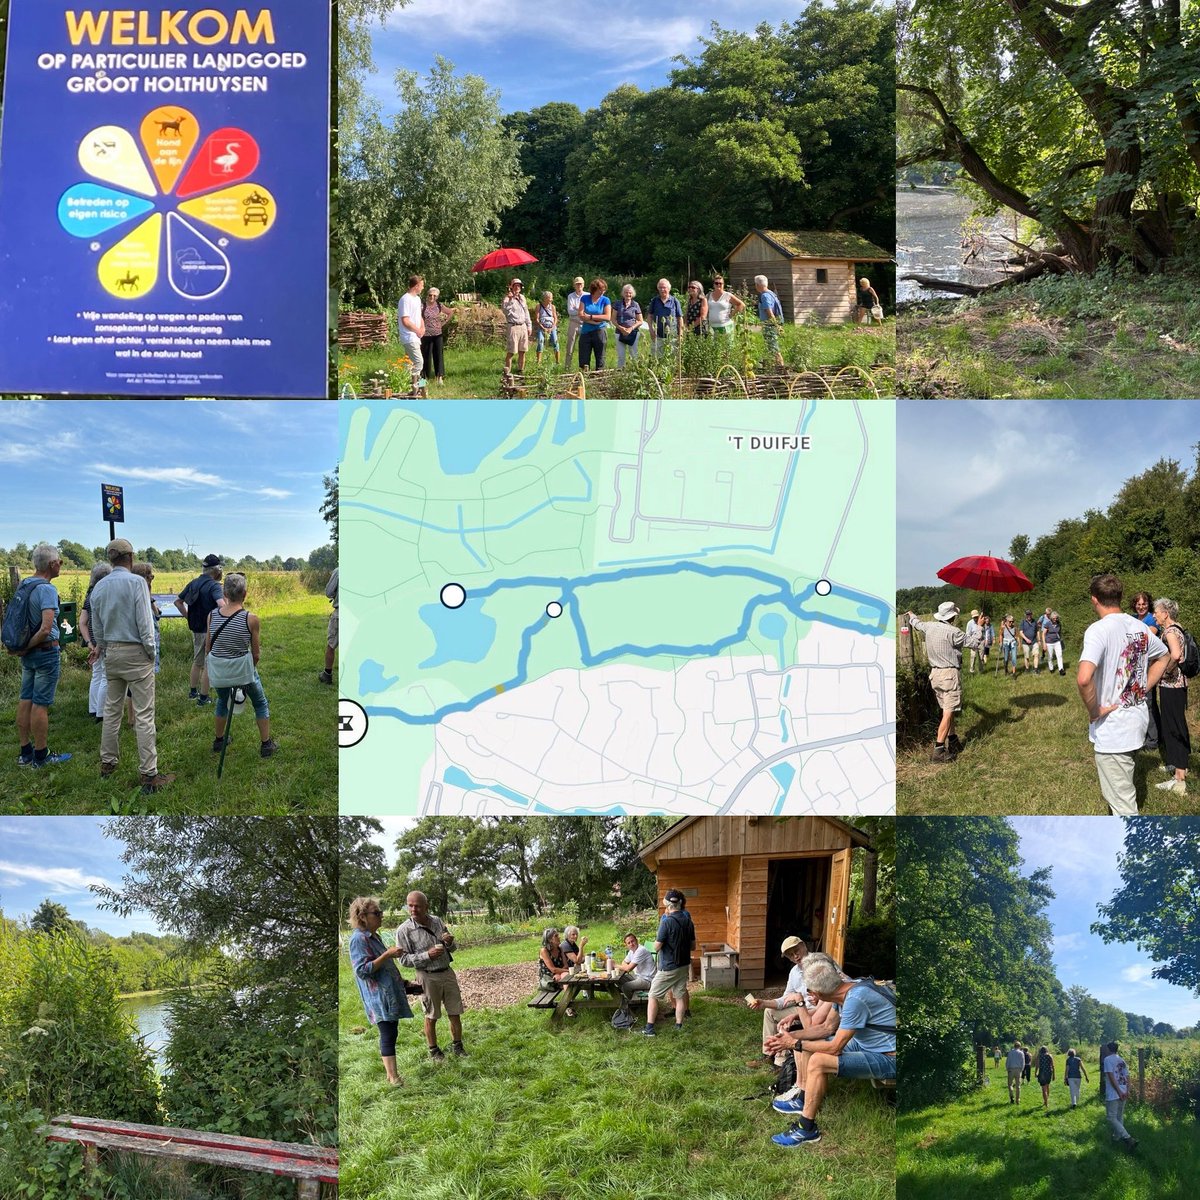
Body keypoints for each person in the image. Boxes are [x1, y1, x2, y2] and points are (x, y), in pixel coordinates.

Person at [769, 956, 895, 1147]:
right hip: (868, 1045)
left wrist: (794, 1043)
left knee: (819, 1061)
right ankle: (803, 1099)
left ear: (819, 992)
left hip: (889, 1057)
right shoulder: (846, 990)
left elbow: (835, 1048)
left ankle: (806, 1129)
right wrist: (790, 1038)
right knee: (812, 1044)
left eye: (809, 991)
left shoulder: (856, 1000)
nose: (809, 996)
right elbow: (826, 1028)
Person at [1077, 573, 1169, 815]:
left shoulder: (1098, 630)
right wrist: (1143, 687)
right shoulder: (1139, 626)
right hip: (1136, 721)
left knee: (1123, 805)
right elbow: (1165, 655)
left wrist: (1094, 710)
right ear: (1119, 597)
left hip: (1114, 728)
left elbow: (1084, 678)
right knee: (1124, 783)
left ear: (1094, 600)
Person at [88, 538, 173, 793]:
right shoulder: (137, 583)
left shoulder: (99, 587)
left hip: (111, 652)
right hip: (136, 652)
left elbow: (97, 626)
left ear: (111, 559)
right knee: (145, 714)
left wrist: (102, 648)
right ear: (131, 558)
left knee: (112, 712)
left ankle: (107, 763)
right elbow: (145, 624)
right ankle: (149, 774)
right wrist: (151, 652)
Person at [206, 572, 278, 758]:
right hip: (244, 673)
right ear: (245, 594)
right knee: (260, 703)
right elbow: (256, 655)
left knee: (222, 701)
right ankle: (266, 744)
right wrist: (247, 671)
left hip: (219, 673)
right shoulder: (251, 619)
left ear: (225, 593)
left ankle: (219, 740)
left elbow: (209, 648)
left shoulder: (212, 616)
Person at [12, 542, 71, 768]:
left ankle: (25, 751)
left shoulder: (25, 584)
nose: (61, 565)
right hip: (44, 651)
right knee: (40, 704)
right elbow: (46, 628)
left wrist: (22, 648)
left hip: (28, 654)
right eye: (59, 561)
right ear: (52, 564)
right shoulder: (46, 589)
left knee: (25, 699)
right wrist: (28, 646)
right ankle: (41, 755)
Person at [348, 896, 414, 1086]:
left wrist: (404, 983)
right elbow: (362, 970)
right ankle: (393, 1078)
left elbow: (384, 968)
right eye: (376, 913)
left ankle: (391, 1075)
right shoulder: (358, 939)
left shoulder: (373, 936)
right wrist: (387, 954)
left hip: (387, 992)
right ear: (362, 916)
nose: (381, 916)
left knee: (391, 1031)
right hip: (378, 996)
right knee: (387, 1033)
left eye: (381, 912)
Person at [905, 601, 983, 763]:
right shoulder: (954, 632)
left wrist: (911, 615)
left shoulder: (929, 627)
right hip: (949, 674)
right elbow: (975, 643)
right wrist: (979, 627)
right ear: (953, 616)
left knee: (948, 708)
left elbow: (916, 623)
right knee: (948, 711)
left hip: (935, 675)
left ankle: (953, 740)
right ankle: (939, 750)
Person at [395, 891, 466, 1059]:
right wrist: (427, 955)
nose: (413, 909)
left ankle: (458, 1046)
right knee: (431, 1014)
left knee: (455, 1011)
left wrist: (449, 943)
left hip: (447, 972)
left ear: (426, 906)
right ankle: (434, 1051)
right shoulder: (404, 930)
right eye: (410, 905)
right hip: (425, 976)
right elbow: (403, 960)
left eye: (417, 905)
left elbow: (452, 947)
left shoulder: (437, 921)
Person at [746, 936, 810, 1065]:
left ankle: (781, 1064)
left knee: (785, 1024)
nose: (795, 957)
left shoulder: (821, 962)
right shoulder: (794, 972)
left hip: (817, 1010)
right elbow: (786, 999)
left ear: (803, 945)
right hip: (800, 1006)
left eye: (796, 951)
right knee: (769, 1011)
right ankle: (768, 1054)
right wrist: (764, 1002)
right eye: (790, 955)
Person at [642, 888, 695, 1036]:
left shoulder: (666, 922)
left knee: (652, 995)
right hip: (684, 965)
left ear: (668, 905)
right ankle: (679, 1025)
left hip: (669, 967)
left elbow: (657, 947)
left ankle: (650, 1028)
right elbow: (693, 946)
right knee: (679, 995)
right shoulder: (689, 921)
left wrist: (655, 942)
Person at [1152, 598, 1189, 797]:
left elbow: (1175, 655)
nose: (1154, 615)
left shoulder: (1170, 631)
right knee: (1175, 725)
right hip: (1178, 686)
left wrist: (1163, 673)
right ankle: (1178, 766)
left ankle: (1179, 780)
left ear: (1165, 613)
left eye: (1156, 612)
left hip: (1172, 686)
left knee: (1174, 728)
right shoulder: (1178, 627)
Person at [176, 554, 224, 706]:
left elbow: (178, 602)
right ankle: (203, 698)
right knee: (209, 664)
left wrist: (188, 616)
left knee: (197, 662)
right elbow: (222, 605)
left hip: (196, 629)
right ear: (216, 570)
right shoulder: (214, 586)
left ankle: (192, 692)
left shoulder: (194, 583)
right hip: (210, 630)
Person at [78, 561, 112, 723]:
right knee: (106, 676)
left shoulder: (89, 595)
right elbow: (106, 622)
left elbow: (82, 622)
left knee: (96, 674)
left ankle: (93, 708)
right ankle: (102, 713)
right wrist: (99, 645)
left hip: (92, 640)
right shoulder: (105, 595)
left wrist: (89, 642)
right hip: (103, 641)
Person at [1131, 591, 1160, 750]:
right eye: (1138, 604)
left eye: (1144, 604)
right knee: (1142, 702)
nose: (1141, 607)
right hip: (1138, 665)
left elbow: (1146, 639)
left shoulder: (1151, 619)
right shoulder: (1134, 618)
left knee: (1148, 702)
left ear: (1149, 604)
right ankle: (1151, 735)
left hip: (1149, 666)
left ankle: (1152, 741)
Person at [1101, 1041, 1137, 1150]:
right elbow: (1128, 1076)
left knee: (1111, 1117)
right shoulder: (1122, 1060)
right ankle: (1116, 1138)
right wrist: (1127, 1090)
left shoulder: (1107, 1059)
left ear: (1108, 1049)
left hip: (1114, 1093)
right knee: (1119, 1116)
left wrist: (1118, 1091)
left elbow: (1111, 1077)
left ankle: (1128, 1138)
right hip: (1123, 1090)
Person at [577, 277, 611, 370]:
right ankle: (584, 377)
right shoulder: (584, 298)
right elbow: (580, 314)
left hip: (600, 331)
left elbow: (607, 317)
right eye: (600, 290)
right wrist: (595, 321)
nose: (602, 292)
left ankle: (599, 378)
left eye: (604, 290)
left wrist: (590, 317)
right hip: (586, 332)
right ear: (594, 289)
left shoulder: (605, 300)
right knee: (583, 358)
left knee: (600, 358)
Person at [420, 287, 452, 385]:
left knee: (438, 355)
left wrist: (443, 323)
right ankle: (424, 378)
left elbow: (450, 312)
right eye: (430, 295)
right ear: (427, 295)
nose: (432, 297)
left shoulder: (439, 305)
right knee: (425, 356)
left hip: (438, 334)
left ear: (437, 297)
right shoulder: (422, 306)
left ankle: (439, 377)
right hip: (425, 334)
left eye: (434, 296)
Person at [397, 273, 425, 383]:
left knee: (408, 363)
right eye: (422, 285)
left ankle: (404, 383)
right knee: (419, 362)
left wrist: (422, 328)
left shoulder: (417, 299)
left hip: (415, 336)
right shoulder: (405, 299)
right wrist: (417, 331)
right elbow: (405, 320)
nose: (423, 288)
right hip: (409, 336)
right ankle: (413, 384)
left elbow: (419, 316)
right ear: (416, 285)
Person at [753, 274, 786, 367]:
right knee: (772, 347)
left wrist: (775, 325)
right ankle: (774, 366)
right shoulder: (771, 293)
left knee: (774, 348)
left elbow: (769, 311)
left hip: (770, 325)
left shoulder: (764, 296)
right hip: (772, 324)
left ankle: (781, 367)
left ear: (758, 285)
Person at [502, 277, 532, 375]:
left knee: (522, 351)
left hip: (522, 326)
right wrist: (511, 299)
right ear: (511, 287)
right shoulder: (507, 299)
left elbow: (526, 311)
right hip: (513, 326)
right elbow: (506, 312)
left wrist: (529, 325)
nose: (517, 287)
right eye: (515, 285)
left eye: (519, 285)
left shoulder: (522, 298)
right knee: (511, 351)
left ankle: (520, 371)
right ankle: (507, 373)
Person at [614, 932, 656, 1000]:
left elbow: (628, 969)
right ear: (626, 945)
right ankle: (627, 997)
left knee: (626, 987)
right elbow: (624, 962)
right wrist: (626, 966)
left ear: (636, 940)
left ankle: (631, 1003)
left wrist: (614, 965)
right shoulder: (632, 951)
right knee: (619, 979)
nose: (631, 944)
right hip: (638, 976)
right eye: (629, 943)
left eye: (632, 941)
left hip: (648, 980)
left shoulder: (641, 950)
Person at [648, 279, 682, 357]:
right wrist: (651, 330)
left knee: (672, 358)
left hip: (672, 336)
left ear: (669, 288)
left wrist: (681, 334)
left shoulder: (674, 301)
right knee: (657, 357)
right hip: (658, 335)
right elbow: (649, 316)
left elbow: (679, 318)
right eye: (660, 288)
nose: (662, 290)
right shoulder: (654, 301)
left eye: (664, 287)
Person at [612, 284, 643, 367]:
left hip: (633, 333)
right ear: (623, 293)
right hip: (619, 332)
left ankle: (634, 372)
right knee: (621, 355)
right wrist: (621, 328)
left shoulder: (635, 305)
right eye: (626, 292)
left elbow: (640, 321)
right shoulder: (617, 304)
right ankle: (620, 373)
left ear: (632, 294)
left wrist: (631, 328)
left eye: (630, 293)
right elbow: (613, 319)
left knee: (634, 355)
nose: (628, 294)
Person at [319, 567, 338, 685]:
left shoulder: (339, 571)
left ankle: (327, 674)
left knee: (331, 645)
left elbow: (329, 592)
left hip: (340, 614)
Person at [564, 276, 586, 362]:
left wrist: (577, 308)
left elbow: (589, 310)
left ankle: (583, 366)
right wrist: (581, 310)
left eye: (580, 284)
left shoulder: (587, 295)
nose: (579, 285)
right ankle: (567, 367)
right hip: (573, 323)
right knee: (570, 346)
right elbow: (570, 311)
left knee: (584, 346)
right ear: (574, 285)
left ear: (583, 285)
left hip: (585, 323)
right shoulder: (571, 296)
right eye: (577, 284)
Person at [534, 291, 560, 365]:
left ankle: (557, 362)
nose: (551, 300)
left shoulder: (552, 307)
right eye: (549, 298)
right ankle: (538, 362)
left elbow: (555, 318)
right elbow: (537, 318)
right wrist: (542, 327)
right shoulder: (539, 306)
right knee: (540, 342)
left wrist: (552, 327)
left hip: (552, 327)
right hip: (542, 327)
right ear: (545, 298)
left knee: (555, 342)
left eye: (551, 298)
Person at [1044, 610, 1065, 675]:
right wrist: (1044, 643)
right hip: (1049, 642)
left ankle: (1061, 669)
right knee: (1050, 657)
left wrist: (1060, 640)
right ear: (1051, 618)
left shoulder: (1059, 623)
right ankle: (1051, 668)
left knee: (1059, 655)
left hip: (1057, 642)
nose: (1055, 619)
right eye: (1054, 618)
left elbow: (1059, 632)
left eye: (1056, 618)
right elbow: (1043, 633)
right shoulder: (1048, 623)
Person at [1036, 1045, 1055, 1110]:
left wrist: (1035, 1072)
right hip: (1049, 1073)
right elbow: (1053, 1066)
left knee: (1043, 1089)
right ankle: (1046, 1100)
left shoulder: (1039, 1056)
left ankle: (1046, 1102)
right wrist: (1054, 1075)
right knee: (1047, 1086)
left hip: (1042, 1073)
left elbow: (1037, 1065)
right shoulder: (1050, 1056)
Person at [965, 609, 983, 674]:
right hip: (973, 641)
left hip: (981, 641)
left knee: (981, 656)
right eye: (974, 617)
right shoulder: (970, 623)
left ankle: (981, 670)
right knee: (973, 656)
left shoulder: (981, 621)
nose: (976, 618)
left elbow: (984, 630)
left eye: (976, 617)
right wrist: (970, 642)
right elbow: (968, 634)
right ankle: (972, 670)